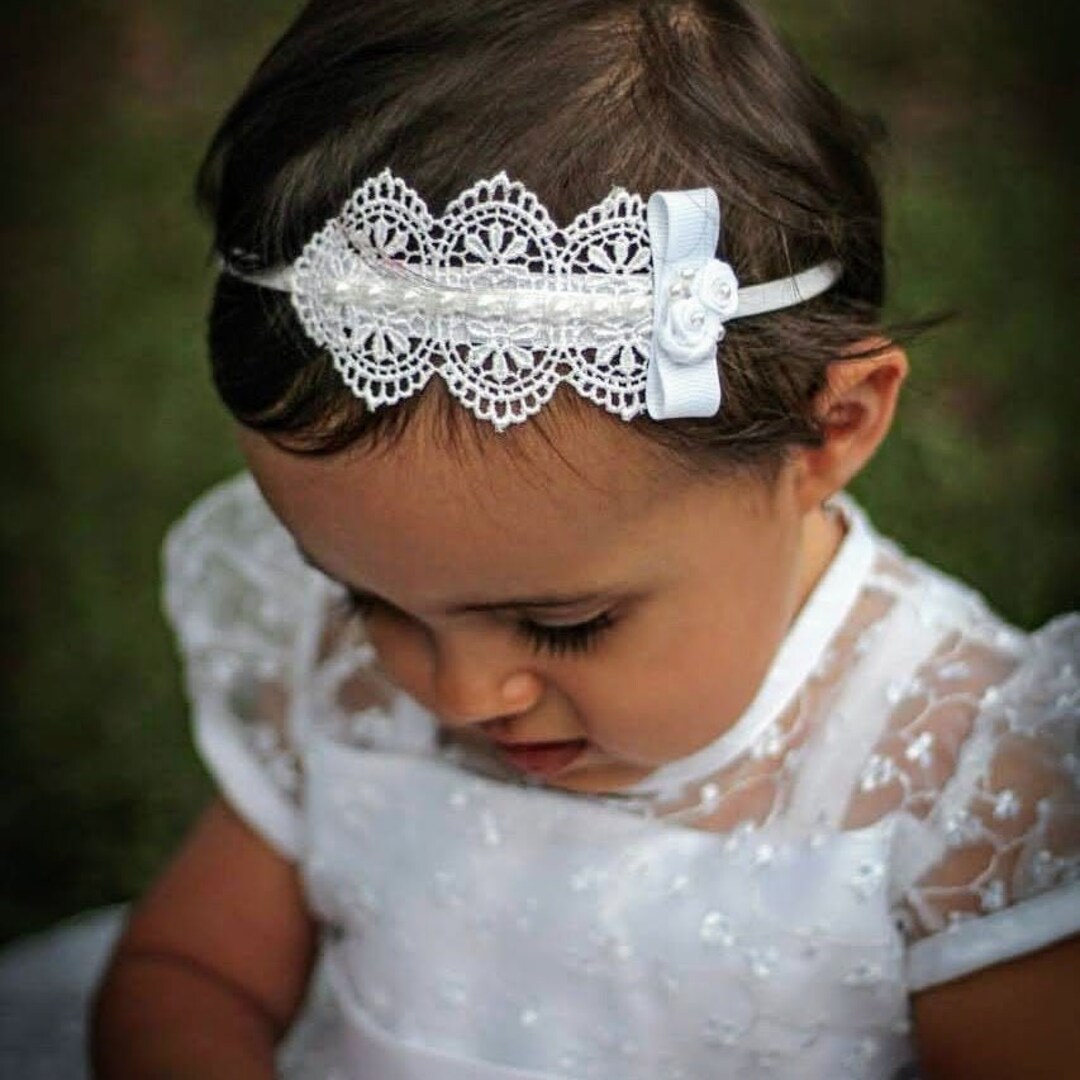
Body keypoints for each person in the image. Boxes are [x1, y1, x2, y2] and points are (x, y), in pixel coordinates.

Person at [90, 1, 1080, 1077]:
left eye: (564, 624)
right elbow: (193, 972)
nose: (459, 692)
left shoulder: (968, 786)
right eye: (362, 599)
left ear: (825, 432)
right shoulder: (350, 678)